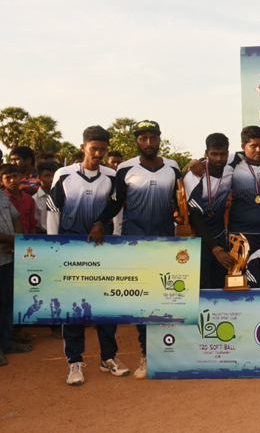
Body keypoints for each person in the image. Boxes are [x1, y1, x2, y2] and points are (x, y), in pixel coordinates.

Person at [90, 120, 182, 380]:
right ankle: (146, 354)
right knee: (144, 300)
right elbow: (117, 202)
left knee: (164, 297)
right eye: (143, 138)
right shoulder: (125, 168)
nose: (149, 143)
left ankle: (164, 351)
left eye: (153, 137)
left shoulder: (173, 167)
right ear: (136, 141)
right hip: (136, 244)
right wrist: (99, 222)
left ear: (160, 139)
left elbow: (181, 201)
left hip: (166, 244)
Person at [47, 126, 128, 386]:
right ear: (83, 147)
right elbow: (53, 212)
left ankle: (108, 357)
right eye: (94, 148)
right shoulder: (64, 174)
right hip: (70, 249)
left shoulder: (112, 176)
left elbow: (115, 212)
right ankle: (74, 361)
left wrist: (113, 238)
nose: (99, 153)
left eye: (103, 149)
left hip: (102, 249)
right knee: (73, 308)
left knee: (106, 304)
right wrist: (53, 248)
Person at [0, 154, 29, 366]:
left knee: (8, 302)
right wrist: (12, 239)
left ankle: (5, 340)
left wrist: (17, 240)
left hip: (8, 257)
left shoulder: (0, 195)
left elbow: (15, 217)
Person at [184, 133, 236, 289]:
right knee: (203, 287)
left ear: (228, 153)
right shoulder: (194, 177)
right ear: (206, 153)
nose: (219, 159)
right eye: (214, 154)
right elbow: (196, 218)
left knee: (221, 285)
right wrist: (216, 250)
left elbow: (255, 154)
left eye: (223, 154)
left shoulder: (230, 169)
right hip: (199, 238)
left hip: (220, 235)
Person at [225, 126, 260, 251]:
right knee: (240, 271)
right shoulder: (233, 166)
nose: (258, 150)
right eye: (253, 146)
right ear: (243, 146)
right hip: (239, 235)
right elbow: (208, 163)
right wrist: (194, 163)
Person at [0, 164, 37, 234]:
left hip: (25, 241)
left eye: (15, 176)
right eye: (8, 178)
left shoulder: (29, 199)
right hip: (7, 241)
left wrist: (33, 242)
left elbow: (32, 225)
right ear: (1, 181)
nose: (12, 180)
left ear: (21, 177)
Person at [32, 161, 59, 233]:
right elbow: (34, 226)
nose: (52, 179)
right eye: (47, 176)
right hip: (42, 239)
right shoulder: (34, 200)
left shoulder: (63, 198)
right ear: (39, 177)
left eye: (54, 176)